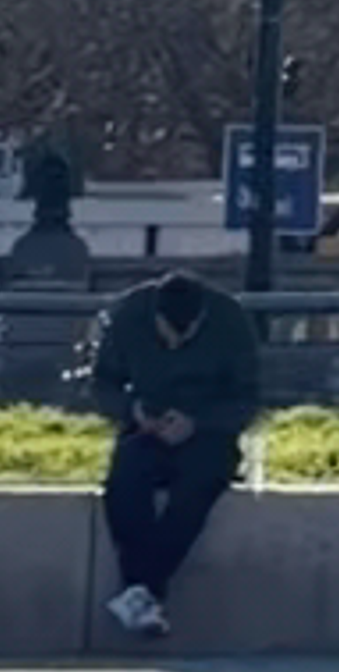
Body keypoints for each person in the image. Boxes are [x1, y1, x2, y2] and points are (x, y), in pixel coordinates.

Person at [89, 261, 264, 634]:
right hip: (145, 425)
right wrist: (132, 411)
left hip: (208, 433)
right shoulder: (130, 315)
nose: (173, 345)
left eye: (184, 339)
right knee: (124, 485)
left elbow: (248, 399)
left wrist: (199, 422)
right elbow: (103, 383)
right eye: (167, 335)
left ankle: (141, 589)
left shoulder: (230, 320)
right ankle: (144, 594)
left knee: (194, 492)